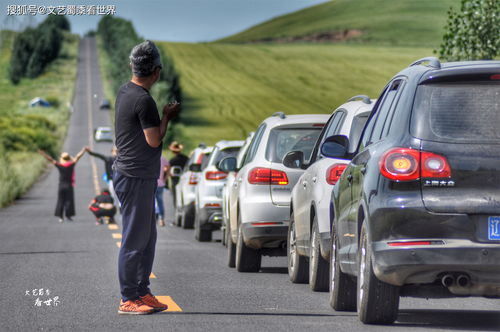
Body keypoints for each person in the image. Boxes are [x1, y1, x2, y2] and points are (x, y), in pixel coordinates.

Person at [113, 40, 180, 315]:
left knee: (147, 237)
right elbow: (154, 141)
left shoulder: (125, 91)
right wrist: (166, 117)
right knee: (134, 238)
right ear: (157, 71)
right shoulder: (144, 100)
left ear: (133, 66)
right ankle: (128, 297)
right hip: (135, 176)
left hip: (133, 175)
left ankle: (142, 291)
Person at [38, 148, 86, 223]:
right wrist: (83, 151)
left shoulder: (60, 166)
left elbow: (50, 159)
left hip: (61, 185)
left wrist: (43, 154)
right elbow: (77, 157)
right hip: (69, 185)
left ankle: (60, 217)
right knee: (69, 200)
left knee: (60, 200)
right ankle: (68, 216)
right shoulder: (71, 165)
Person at [167, 141, 188, 209]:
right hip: (185, 179)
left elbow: (168, 171)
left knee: (176, 196)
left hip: (175, 180)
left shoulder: (172, 160)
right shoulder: (186, 158)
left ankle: (177, 210)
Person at [155, 155, 169, 227]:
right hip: (160, 183)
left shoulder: (149, 156)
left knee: (151, 202)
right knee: (160, 202)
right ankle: (161, 219)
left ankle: (153, 218)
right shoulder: (163, 158)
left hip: (151, 183)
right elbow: (168, 167)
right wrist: (165, 179)